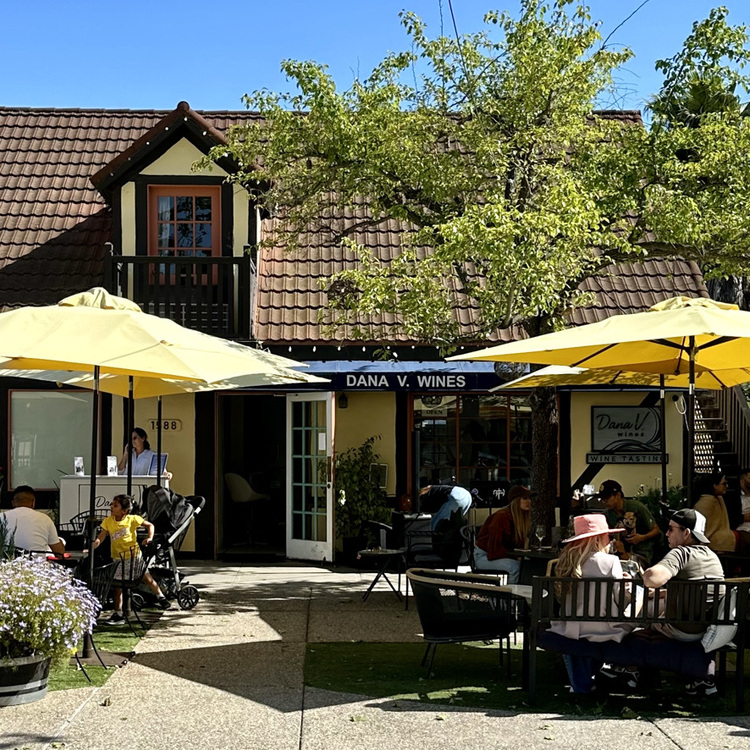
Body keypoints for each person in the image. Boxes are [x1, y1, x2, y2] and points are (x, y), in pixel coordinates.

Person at [638, 508, 724, 696]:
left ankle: (632, 670)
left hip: (681, 628)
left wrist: (641, 574)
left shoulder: (681, 553)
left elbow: (652, 579)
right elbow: (696, 589)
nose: (666, 534)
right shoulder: (712, 556)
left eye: (671, 529)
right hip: (705, 629)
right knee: (656, 603)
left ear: (686, 533)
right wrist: (667, 593)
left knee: (638, 610)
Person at [548, 514, 635, 694]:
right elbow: (621, 602)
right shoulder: (611, 562)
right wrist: (627, 586)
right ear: (598, 538)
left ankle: (582, 685)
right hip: (605, 627)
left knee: (578, 641)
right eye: (607, 535)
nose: (610, 540)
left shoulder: (566, 561)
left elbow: (561, 599)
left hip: (572, 626)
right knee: (638, 602)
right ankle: (589, 682)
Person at [87, 494, 170, 622]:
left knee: (147, 578)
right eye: (112, 504)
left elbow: (150, 525)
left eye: (115, 505)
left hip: (133, 556)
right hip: (117, 559)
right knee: (118, 587)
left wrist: (149, 537)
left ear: (124, 511)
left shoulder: (132, 519)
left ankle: (161, 597)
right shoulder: (108, 521)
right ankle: (118, 613)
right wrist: (92, 547)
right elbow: (101, 537)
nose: (111, 507)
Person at [473, 485, 532, 583]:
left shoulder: (520, 518)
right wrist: (515, 556)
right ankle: (510, 593)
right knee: (516, 567)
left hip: (499, 554)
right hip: (484, 556)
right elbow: (494, 550)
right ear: (516, 501)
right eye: (525, 498)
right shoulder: (501, 517)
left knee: (528, 566)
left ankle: (525, 591)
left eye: (529, 498)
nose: (529, 501)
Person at [598, 479, 661, 566]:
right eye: (602, 499)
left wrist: (641, 538)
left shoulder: (637, 507)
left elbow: (656, 530)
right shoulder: (607, 514)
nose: (604, 502)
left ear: (618, 495)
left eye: (606, 498)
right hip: (617, 553)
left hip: (639, 553)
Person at [2, 485, 65, 555]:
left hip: (6, 561)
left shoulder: (1, 517)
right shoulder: (45, 519)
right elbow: (59, 553)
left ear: (13, 503)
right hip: (37, 561)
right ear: (33, 502)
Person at [692, 472, 736, 553]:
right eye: (724, 484)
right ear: (715, 486)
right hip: (714, 543)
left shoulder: (717, 499)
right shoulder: (707, 502)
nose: (726, 486)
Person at [735, 468, 750, 553]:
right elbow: (734, 518)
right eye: (749, 478)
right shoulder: (735, 498)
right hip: (743, 529)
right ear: (742, 481)